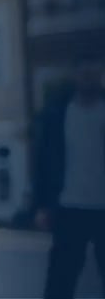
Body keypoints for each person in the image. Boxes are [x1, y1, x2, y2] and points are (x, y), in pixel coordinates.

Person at [34, 61, 105, 299]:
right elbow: (44, 161)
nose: (88, 78)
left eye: (93, 73)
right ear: (75, 77)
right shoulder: (59, 114)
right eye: (84, 73)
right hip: (69, 206)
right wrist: (42, 205)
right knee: (61, 279)